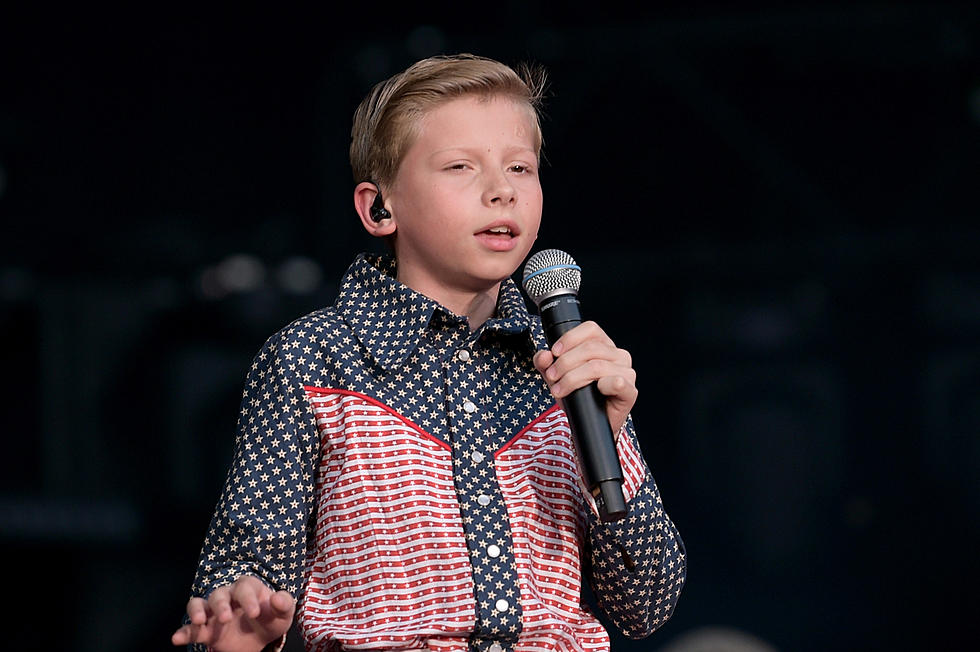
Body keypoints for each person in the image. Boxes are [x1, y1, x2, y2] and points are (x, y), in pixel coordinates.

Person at [172, 53, 685, 652]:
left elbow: (646, 606)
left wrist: (609, 440)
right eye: (461, 166)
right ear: (378, 208)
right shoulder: (314, 361)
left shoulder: (566, 366)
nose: (501, 191)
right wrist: (242, 629)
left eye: (520, 167)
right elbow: (242, 585)